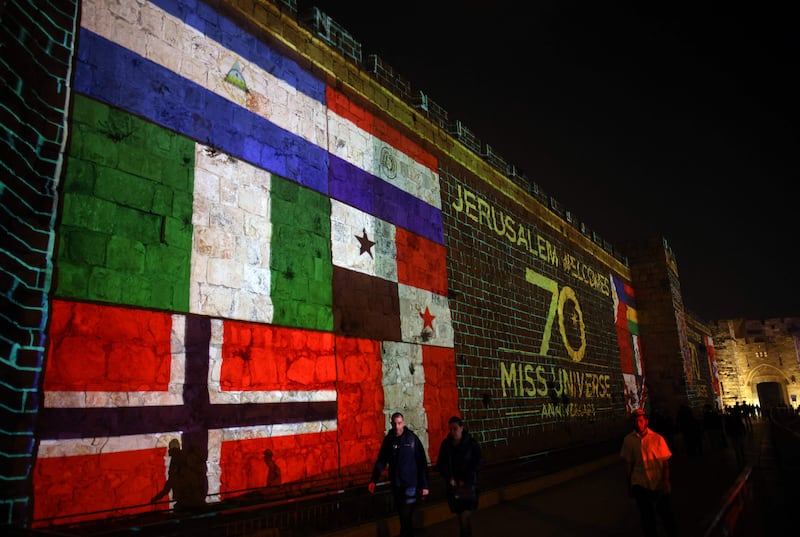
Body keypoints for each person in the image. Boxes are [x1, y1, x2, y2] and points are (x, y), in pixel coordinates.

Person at [368, 412, 430, 537]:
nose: (397, 426)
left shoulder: (412, 439)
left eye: (399, 423)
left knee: (405, 515)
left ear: (404, 423)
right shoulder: (389, 440)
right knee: (404, 517)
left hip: (410, 485)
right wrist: (373, 480)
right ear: (391, 424)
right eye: (395, 423)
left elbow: (421, 462)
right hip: (397, 485)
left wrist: (425, 485)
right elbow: (382, 460)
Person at [620, 408, 676, 537]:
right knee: (646, 517)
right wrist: (629, 485)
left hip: (658, 481)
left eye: (640, 421)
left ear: (645, 421)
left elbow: (665, 463)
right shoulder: (628, 440)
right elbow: (628, 464)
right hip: (640, 483)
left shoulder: (657, 439)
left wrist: (665, 480)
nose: (638, 424)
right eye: (635, 422)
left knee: (666, 515)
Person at [435, 416, 483, 537]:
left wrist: (467, 479)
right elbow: (441, 464)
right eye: (450, 429)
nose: (452, 432)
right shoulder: (446, 445)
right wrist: (449, 477)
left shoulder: (471, 444)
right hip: (454, 487)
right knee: (461, 517)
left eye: (455, 428)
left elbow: (478, 462)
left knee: (464, 517)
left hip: (468, 486)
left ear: (462, 428)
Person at [151, 438, 207, 511]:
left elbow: (170, 482)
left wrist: (157, 497)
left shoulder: (175, 462)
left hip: (184, 500)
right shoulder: (189, 459)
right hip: (196, 498)